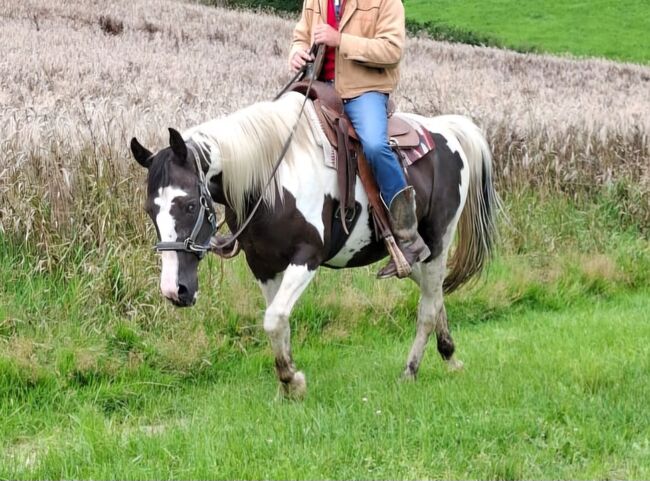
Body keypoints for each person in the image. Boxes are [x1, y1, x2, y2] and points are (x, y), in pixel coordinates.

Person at [288, 0, 430, 279]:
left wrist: (340, 40)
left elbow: (392, 50)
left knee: (375, 146)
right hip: (317, 87)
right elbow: (301, 36)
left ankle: (409, 237)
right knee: (276, 132)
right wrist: (296, 53)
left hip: (364, 90)